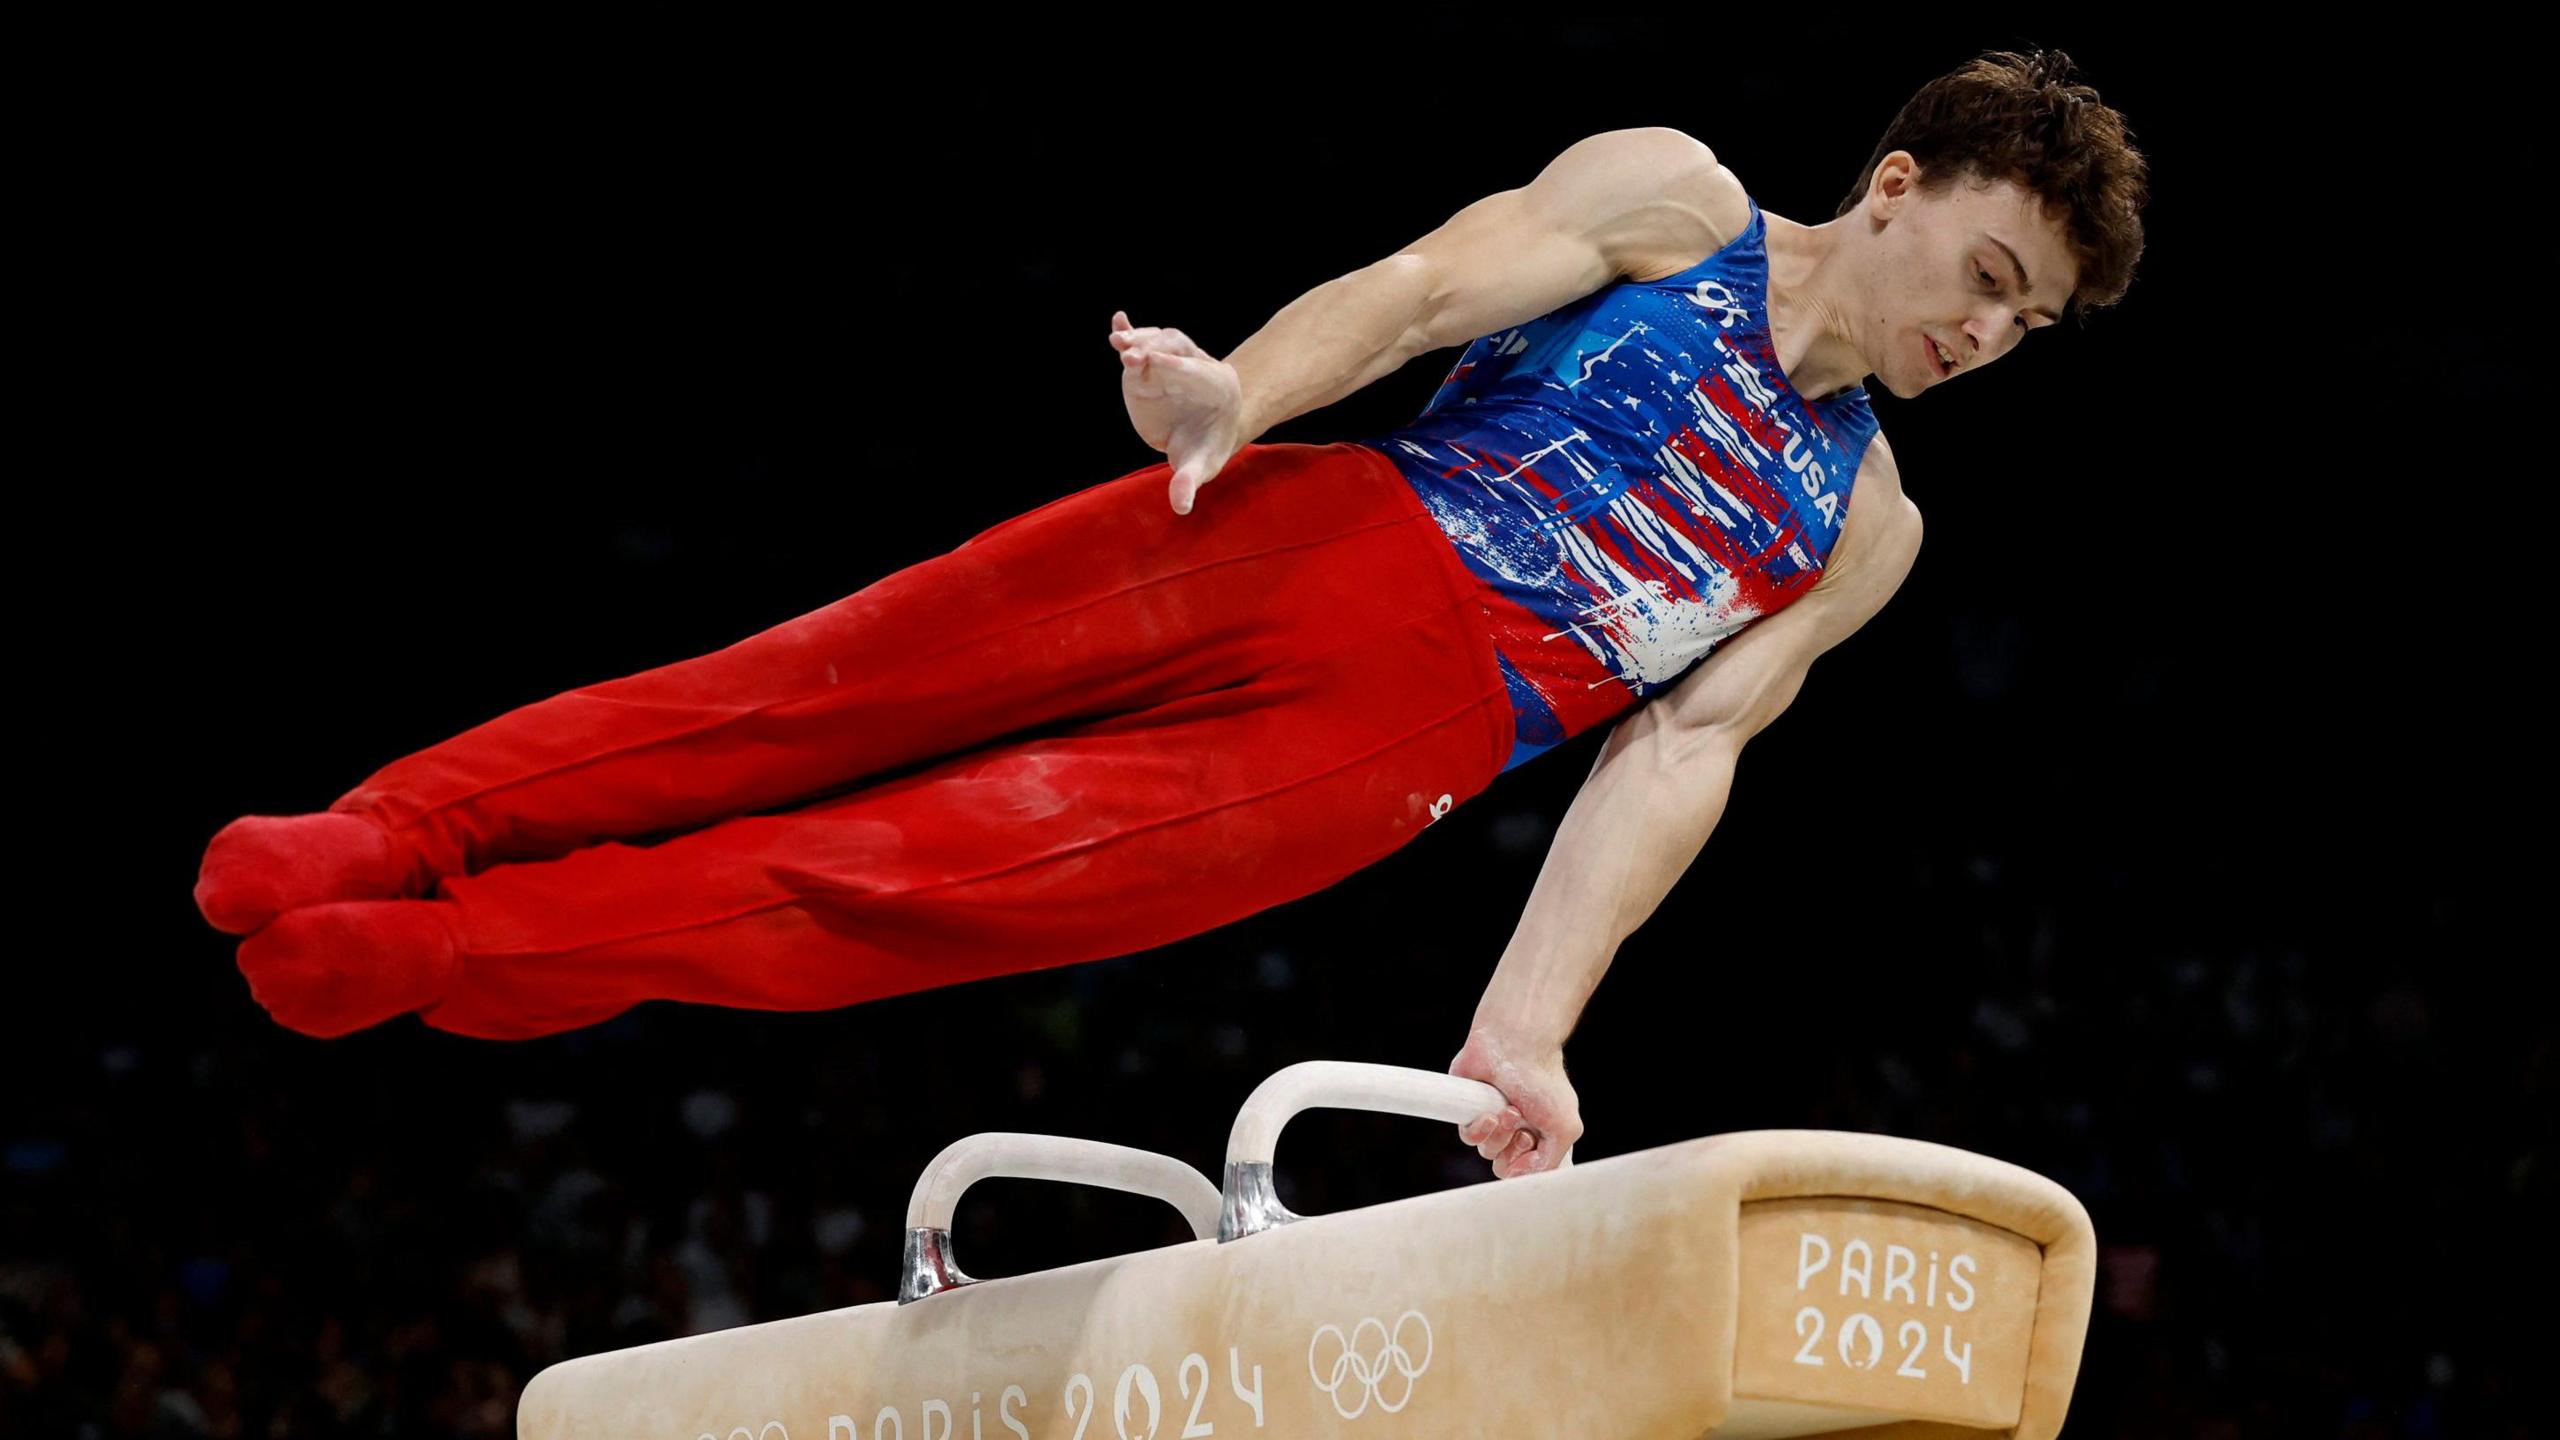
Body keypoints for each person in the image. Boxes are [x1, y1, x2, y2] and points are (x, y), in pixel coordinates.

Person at [194, 48, 2146, 1181]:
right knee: (796, 692)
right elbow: (1417, 288)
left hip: (1380, 754)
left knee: (888, 887)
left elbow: (1679, 754)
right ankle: (385, 829)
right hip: (1311, 525)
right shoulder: (1672, 201)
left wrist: (1520, 1035)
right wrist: (1240, 396)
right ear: (1890, 187)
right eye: (1982, 270)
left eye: (2023, 324)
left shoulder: (1859, 527)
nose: (1981, 333)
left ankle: (438, 950)